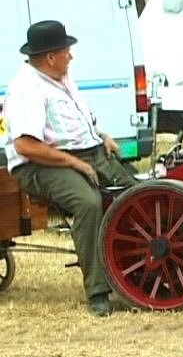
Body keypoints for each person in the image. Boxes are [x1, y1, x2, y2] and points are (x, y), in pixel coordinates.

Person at [3, 20, 137, 316]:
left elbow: (77, 119)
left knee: (137, 196)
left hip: (85, 152)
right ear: (51, 57)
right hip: (40, 164)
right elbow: (25, 145)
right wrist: (74, 163)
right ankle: (98, 293)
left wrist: (102, 135)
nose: (71, 56)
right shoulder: (27, 88)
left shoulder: (62, 77)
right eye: (67, 51)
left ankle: (134, 276)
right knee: (88, 203)